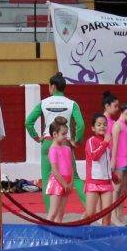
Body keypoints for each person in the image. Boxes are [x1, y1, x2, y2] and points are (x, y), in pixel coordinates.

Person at [27, 73, 86, 209]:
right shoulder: (72, 104)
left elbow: (28, 122)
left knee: (48, 179)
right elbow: (81, 125)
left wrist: (36, 137)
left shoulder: (44, 103)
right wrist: (76, 141)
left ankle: (50, 216)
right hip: (65, 142)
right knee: (75, 178)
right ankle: (90, 208)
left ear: (52, 86)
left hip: (48, 142)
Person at [83, 114, 114, 225]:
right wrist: (105, 142)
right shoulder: (91, 141)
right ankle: (83, 233)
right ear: (93, 128)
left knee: (107, 214)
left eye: (105, 124)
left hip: (107, 183)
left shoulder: (107, 143)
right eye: (99, 124)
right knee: (90, 214)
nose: (102, 127)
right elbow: (94, 157)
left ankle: (104, 239)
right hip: (93, 183)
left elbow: (106, 162)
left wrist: (113, 176)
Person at [111, 97, 127, 225]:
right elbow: (114, 146)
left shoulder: (126, 126)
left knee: (123, 190)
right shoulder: (117, 126)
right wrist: (113, 161)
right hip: (120, 162)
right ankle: (114, 216)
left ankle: (120, 215)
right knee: (116, 189)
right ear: (126, 112)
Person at [45, 118, 75, 223]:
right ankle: (47, 233)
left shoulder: (67, 149)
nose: (66, 137)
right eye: (63, 134)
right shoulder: (53, 150)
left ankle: (58, 234)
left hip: (66, 182)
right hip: (57, 182)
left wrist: (71, 182)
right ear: (55, 134)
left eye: (66, 134)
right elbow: (54, 170)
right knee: (53, 212)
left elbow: (71, 167)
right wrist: (64, 184)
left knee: (61, 213)